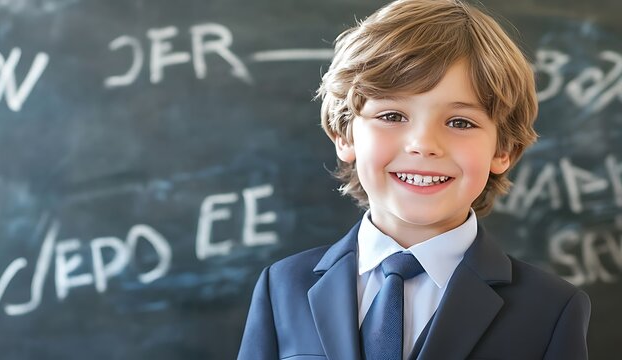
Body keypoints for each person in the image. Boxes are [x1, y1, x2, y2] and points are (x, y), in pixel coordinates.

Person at [237, 0, 591, 359]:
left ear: (504, 150)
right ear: (344, 135)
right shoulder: (282, 287)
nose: (423, 145)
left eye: (460, 122)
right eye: (392, 115)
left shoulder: (552, 309)